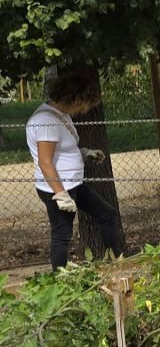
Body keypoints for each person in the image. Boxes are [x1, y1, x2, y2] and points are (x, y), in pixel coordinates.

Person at [27, 70, 127, 269]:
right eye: (85, 103)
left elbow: (61, 151)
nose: (85, 109)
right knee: (62, 234)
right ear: (75, 99)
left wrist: (84, 153)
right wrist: (60, 194)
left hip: (73, 183)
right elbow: (45, 162)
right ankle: (59, 277)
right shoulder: (46, 121)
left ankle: (117, 261)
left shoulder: (60, 115)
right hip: (58, 187)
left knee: (107, 215)